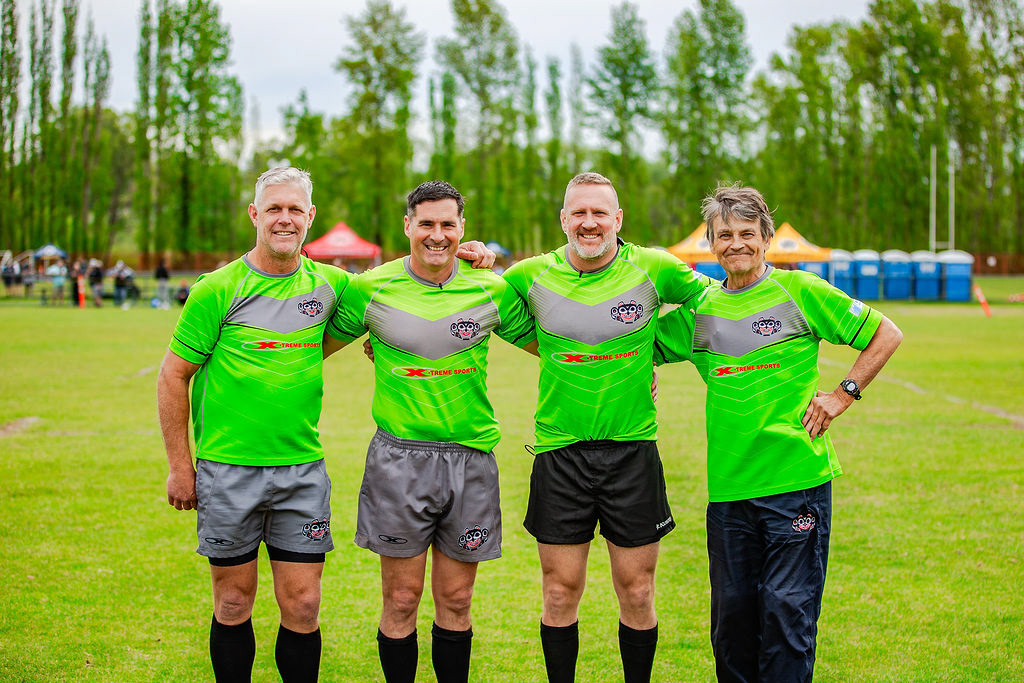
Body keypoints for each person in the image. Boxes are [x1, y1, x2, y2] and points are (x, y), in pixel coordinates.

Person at [653, 184, 903, 682]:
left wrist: (843, 393)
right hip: (729, 492)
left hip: (796, 485)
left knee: (786, 617)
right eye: (725, 235)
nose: (737, 243)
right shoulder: (701, 310)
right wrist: (645, 370)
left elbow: (885, 332)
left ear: (766, 237)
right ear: (712, 243)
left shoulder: (800, 291)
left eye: (748, 232)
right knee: (732, 628)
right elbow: (636, 347)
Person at [501, 172, 715, 683]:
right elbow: (467, 306)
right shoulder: (529, 275)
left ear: (618, 220)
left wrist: (653, 352)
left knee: (637, 591)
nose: (589, 223)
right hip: (560, 455)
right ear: (564, 220)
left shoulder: (655, 267)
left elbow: (717, 301)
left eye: (600, 213)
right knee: (559, 592)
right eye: (579, 213)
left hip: (632, 454)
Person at [324, 180, 535, 683]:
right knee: (400, 599)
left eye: (447, 224)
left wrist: (644, 366)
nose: (437, 235)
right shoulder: (369, 289)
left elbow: (552, 346)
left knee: (457, 600)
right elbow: (311, 348)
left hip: (470, 459)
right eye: (427, 224)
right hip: (400, 460)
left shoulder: (493, 289)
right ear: (408, 227)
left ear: (463, 229)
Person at [157, 167, 351, 682]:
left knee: (305, 606)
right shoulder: (217, 289)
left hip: (301, 474)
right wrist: (181, 467)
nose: (284, 219)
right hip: (228, 473)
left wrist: (472, 256)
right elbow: (174, 376)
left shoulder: (333, 286)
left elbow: (400, 290)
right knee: (233, 602)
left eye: (294, 209)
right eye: (274, 209)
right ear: (255, 215)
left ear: (310, 217)